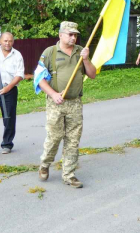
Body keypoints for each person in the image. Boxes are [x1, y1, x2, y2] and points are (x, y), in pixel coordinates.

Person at [37, 21, 96, 188]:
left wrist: (86, 59)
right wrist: (53, 94)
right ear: (60, 35)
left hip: (75, 103)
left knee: (73, 140)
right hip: (56, 103)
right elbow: (39, 79)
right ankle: (45, 164)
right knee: (54, 138)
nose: (73, 37)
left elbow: (92, 74)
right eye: (70, 34)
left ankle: (69, 174)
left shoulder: (80, 52)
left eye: (75, 34)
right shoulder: (50, 53)